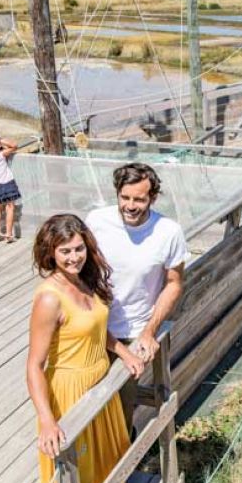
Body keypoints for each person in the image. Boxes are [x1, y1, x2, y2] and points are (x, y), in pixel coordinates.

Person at [27, 214, 144, 483]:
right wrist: (48, 421)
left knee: (96, 460)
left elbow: (96, 328)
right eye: (65, 251)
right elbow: (34, 365)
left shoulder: (83, 280)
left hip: (99, 385)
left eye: (78, 248)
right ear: (50, 253)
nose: (73, 257)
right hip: (69, 390)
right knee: (74, 465)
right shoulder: (50, 297)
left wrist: (124, 352)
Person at [86, 163, 187, 436]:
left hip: (132, 332)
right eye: (125, 197)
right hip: (92, 329)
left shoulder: (168, 231)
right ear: (117, 194)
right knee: (84, 404)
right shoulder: (96, 222)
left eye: (139, 199)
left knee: (119, 410)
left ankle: (120, 468)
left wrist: (149, 331)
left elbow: (174, 283)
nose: (130, 205)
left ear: (152, 198)